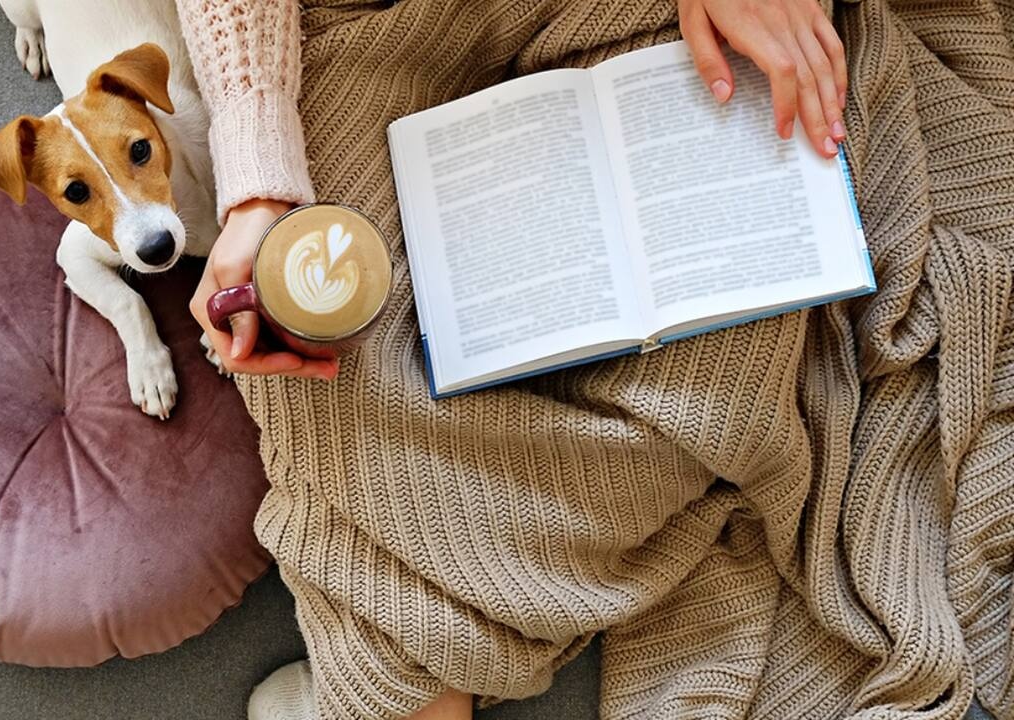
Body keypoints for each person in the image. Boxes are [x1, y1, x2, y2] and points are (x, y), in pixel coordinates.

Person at [175, 0, 848, 717]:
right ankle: (411, 666)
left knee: (725, 375)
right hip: (368, 38)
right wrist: (255, 174)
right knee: (317, 343)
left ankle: (398, 669)